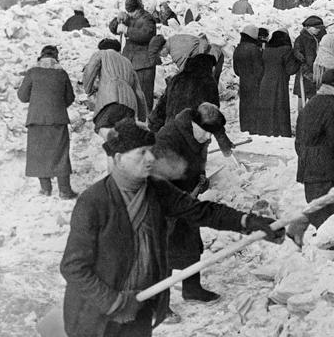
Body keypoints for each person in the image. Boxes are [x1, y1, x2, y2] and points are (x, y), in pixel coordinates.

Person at [59, 118, 283, 337]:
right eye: (140, 153)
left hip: (140, 306)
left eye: (150, 151)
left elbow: (201, 211)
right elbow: (73, 267)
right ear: (118, 159)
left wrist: (248, 221)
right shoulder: (94, 202)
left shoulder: (155, 189)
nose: (150, 158)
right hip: (97, 316)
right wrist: (115, 302)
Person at [154, 103, 235, 307]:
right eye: (207, 134)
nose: (209, 139)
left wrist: (201, 178)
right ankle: (158, 302)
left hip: (187, 199)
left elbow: (198, 162)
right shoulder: (169, 137)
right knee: (166, 249)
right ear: (196, 125)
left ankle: (192, 289)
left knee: (190, 243)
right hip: (166, 201)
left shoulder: (199, 133)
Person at [295, 69, 334, 228]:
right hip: (326, 172)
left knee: (317, 218)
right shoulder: (331, 106)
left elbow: (299, 140)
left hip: (308, 170)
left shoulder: (310, 104)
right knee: (332, 224)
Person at [17, 45, 76, 198]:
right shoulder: (61, 73)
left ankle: (45, 189)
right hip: (57, 119)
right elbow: (70, 98)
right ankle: (64, 191)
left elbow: (22, 96)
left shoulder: (32, 72)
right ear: (56, 57)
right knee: (60, 154)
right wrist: (57, 106)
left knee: (39, 154)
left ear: (40, 56)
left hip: (36, 119)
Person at [83, 38, 147, 139]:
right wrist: (142, 117)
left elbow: (91, 70)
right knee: (123, 135)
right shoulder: (128, 63)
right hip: (130, 104)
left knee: (102, 127)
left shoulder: (102, 54)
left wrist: (88, 88)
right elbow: (139, 93)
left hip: (110, 99)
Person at [148, 53, 220, 133]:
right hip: (194, 133)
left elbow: (162, 105)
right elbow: (213, 113)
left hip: (171, 130)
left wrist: (154, 126)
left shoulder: (176, 79)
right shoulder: (208, 82)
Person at [109, 0, 158, 110]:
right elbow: (113, 28)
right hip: (130, 63)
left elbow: (145, 34)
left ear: (139, 9)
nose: (130, 14)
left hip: (144, 65)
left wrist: (127, 30)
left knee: (144, 96)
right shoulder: (130, 18)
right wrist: (117, 20)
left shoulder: (148, 19)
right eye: (128, 12)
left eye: (133, 12)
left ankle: (146, 121)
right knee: (130, 96)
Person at [257, 29, 301, 137]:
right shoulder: (286, 50)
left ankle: (266, 131)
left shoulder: (267, 50)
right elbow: (290, 69)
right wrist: (299, 62)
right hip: (279, 83)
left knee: (267, 108)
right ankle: (281, 132)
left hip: (265, 82)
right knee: (280, 108)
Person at [233, 25, 263, 134]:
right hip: (255, 83)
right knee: (254, 107)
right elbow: (259, 69)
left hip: (243, 82)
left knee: (244, 106)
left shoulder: (237, 48)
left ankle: (245, 127)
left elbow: (236, 70)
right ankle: (254, 129)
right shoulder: (254, 49)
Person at [293, 16, 325, 110]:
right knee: (302, 101)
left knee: (314, 102)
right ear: (307, 28)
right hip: (304, 75)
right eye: (316, 28)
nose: (318, 30)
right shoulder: (300, 40)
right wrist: (307, 72)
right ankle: (302, 121)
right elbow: (298, 56)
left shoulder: (317, 38)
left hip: (315, 74)